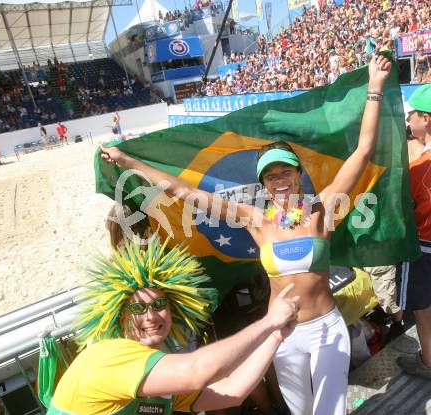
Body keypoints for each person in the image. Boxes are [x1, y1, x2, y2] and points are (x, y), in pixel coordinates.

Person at [99, 54, 392, 415]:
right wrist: (132, 164)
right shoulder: (255, 219)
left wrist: (375, 87)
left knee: (329, 410)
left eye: (286, 172)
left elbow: (362, 152)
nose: (280, 180)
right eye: (272, 176)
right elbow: (185, 193)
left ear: (298, 175)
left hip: (327, 328)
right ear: (264, 184)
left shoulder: (321, 210)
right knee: (299, 411)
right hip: (282, 332)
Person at [47, 238, 300, 415]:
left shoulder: (154, 371)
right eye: (137, 308)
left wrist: (275, 336)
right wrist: (268, 322)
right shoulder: (109, 355)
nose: (151, 316)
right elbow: (196, 371)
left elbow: (230, 392)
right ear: (121, 318)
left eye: (159, 304)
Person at [396, 84, 431, 379]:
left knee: (422, 307)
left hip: (423, 245)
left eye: (411, 117)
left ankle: (428, 361)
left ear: (426, 119)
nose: (408, 122)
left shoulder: (419, 165)